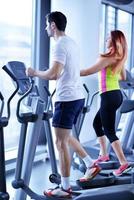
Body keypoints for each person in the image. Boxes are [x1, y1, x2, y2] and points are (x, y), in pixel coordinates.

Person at [26, 11, 101, 199]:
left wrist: (34, 72)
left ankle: (65, 188)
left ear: (53, 25)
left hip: (66, 99)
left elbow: (53, 74)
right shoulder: (72, 43)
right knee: (66, 137)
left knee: (60, 143)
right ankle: (90, 163)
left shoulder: (59, 45)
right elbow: (63, 71)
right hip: (76, 97)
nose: (45, 29)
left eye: (46, 25)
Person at [80, 30, 132, 177]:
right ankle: (104, 154)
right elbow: (122, 76)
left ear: (115, 41)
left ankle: (124, 163)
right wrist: (111, 74)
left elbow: (87, 71)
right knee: (97, 124)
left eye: (109, 37)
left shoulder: (108, 57)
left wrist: (67, 71)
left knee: (109, 131)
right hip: (115, 95)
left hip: (108, 95)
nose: (107, 39)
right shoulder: (119, 58)